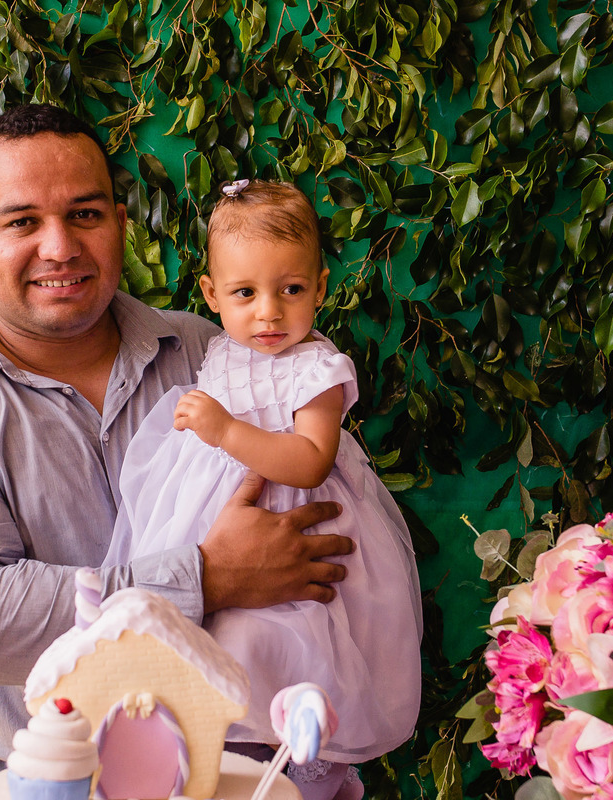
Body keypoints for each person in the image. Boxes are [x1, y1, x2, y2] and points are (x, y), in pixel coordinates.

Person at [0, 104, 355, 787]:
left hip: (250, 777)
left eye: (85, 214)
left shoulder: (216, 354)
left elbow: (316, 535)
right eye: (22, 221)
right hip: (53, 785)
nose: (59, 246)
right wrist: (206, 577)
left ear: (122, 224)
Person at [104, 180, 422, 800]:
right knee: (213, 647)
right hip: (215, 525)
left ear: (321, 287)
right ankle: (220, 764)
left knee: (289, 645)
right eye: (245, 293)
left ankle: (306, 771)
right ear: (211, 294)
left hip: (297, 520)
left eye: (291, 290)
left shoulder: (318, 370)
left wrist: (223, 431)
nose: (269, 313)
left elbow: (306, 461)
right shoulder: (221, 351)